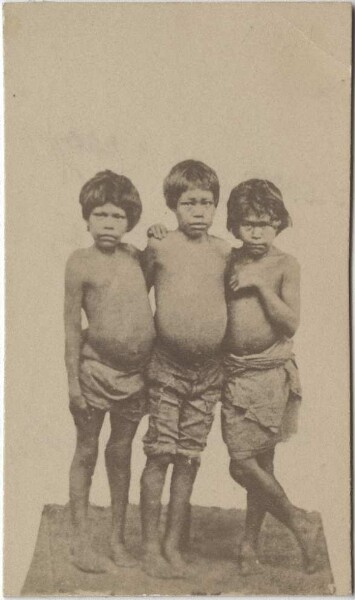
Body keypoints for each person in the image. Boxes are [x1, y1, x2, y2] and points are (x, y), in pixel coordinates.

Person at [222, 179, 318, 575]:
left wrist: (261, 285)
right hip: (234, 373)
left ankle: (272, 533)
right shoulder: (228, 259)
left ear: (279, 222)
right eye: (248, 224)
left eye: (265, 222)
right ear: (235, 226)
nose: (256, 232)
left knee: (250, 464)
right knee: (254, 467)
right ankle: (268, 535)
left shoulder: (284, 265)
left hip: (269, 373)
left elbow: (290, 323)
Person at [140, 159, 230, 578]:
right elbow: (134, 292)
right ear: (172, 206)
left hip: (209, 373)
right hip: (166, 369)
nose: (199, 211)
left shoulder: (224, 251)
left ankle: (174, 544)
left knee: (189, 459)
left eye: (207, 203)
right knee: (160, 453)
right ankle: (150, 546)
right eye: (189, 202)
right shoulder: (160, 247)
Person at [64, 170, 155, 573]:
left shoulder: (135, 257)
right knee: (87, 450)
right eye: (100, 215)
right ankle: (82, 541)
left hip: (135, 376)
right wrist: (73, 384)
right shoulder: (79, 263)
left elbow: (150, 287)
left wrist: (156, 240)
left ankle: (117, 538)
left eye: (118, 217)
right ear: (86, 218)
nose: (108, 224)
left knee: (120, 453)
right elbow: (69, 327)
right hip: (94, 372)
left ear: (129, 221)